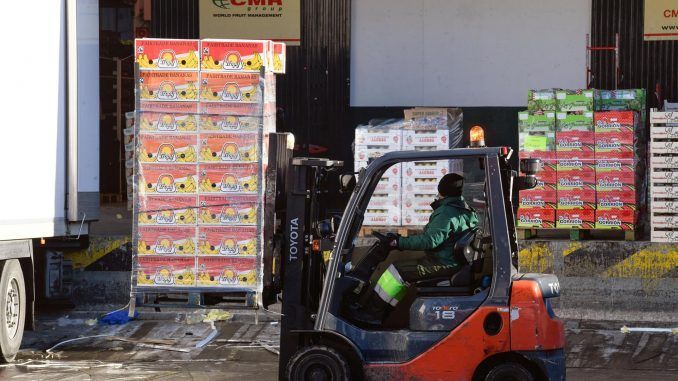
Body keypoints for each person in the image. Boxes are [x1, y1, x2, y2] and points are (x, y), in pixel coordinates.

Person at [349, 173, 479, 326]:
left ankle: (371, 313)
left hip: (443, 263)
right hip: (452, 261)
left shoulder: (446, 213)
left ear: (441, 190)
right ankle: (381, 315)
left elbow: (430, 241)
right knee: (403, 277)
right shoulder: (467, 211)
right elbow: (438, 236)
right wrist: (401, 240)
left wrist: (398, 242)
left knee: (395, 271)